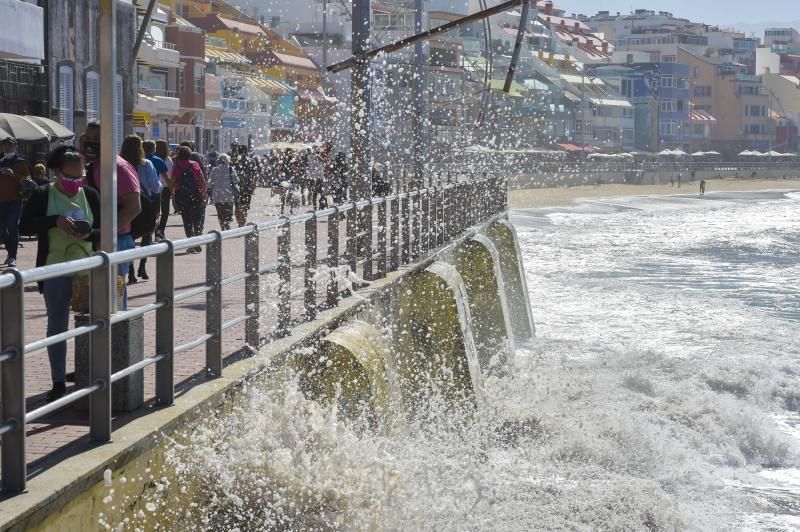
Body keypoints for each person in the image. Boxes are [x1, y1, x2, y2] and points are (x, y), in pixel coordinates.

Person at [20, 146, 101, 401]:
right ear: (56, 172)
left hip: (87, 269)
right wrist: (53, 221)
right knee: (57, 324)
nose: (76, 183)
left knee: (91, 322)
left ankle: (84, 371)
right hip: (55, 267)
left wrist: (90, 233)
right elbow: (25, 225)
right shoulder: (43, 195)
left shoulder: (90, 194)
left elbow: (103, 229)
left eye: (80, 177)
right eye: (70, 178)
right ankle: (57, 380)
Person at [81, 121, 141, 310]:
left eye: (96, 139)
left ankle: (118, 338)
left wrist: (107, 235)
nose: (91, 143)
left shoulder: (118, 167)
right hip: (92, 240)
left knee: (114, 301)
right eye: (87, 139)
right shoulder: (89, 166)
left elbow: (133, 206)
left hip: (116, 241)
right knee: (94, 302)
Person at [120, 135, 161, 283]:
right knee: (147, 234)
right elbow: (155, 186)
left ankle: (130, 272)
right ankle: (142, 266)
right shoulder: (146, 164)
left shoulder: (120, 164)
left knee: (129, 236)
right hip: (144, 203)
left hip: (125, 204)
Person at [0, 136, 30, 267]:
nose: (8, 147)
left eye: (10, 145)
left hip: (15, 199)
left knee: (12, 227)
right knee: (2, 229)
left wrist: (13, 174)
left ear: (15, 147)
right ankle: (10, 251)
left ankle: (12, 256)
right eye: (6, 145)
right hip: (1, 200)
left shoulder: (21, 162)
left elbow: (27, 181)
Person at [171, 146, 207, 252]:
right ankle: (197, 239)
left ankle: (191, 243)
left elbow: (172, 182)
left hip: (181, 195)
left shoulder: (176, 166)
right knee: (197, 218)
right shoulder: (194, 164)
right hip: (195, 194)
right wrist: (204, 193)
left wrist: (172, 193)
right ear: (189, 154)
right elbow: (202, 179)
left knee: (186, 219)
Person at [207, 154, 238, 231]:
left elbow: (210, 183)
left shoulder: (214, 169)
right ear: (227, 160)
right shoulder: (231, 169)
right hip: (228, 194)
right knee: (228, 210)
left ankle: (222, 227)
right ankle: (227, 223)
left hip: (217, 195)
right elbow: (236, 180)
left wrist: (208, 191)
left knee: (220, 212)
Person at [154, 140, 173, 240]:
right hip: (165, 188)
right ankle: (160, 231)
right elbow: (170, 175)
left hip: (154, 187)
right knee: (165, 211)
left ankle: (156, 230)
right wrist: (172, 189)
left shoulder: (153, 159)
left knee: (155, 212)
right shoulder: (167, 160)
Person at [233, 145, 256, 227]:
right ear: (246, 152)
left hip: (237, 187)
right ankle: (242, 223)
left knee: (237, 205)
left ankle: (239, 222)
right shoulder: (251, 161)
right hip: (247, 187)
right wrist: (253, 185)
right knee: (245, 206)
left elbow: (232, 174)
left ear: (238, 151)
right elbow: (255, 175)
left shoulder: (236, 161)